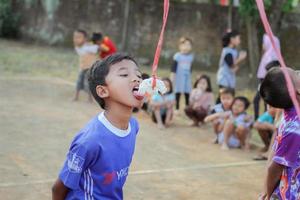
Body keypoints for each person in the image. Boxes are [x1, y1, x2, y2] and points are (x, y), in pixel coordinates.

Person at [52, 53, 144, 200]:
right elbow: (58, 189)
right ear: (103, 91)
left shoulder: (133, 126)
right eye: (124, 74)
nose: (136, 79)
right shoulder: (90, 141)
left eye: (139, 75)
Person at [259, 67, 300, 200]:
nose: (299, 71)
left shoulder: (290, 112)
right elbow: (275, 167)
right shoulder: (294, 129)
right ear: (297, 91)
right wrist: (268, 192)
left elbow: (274, 150)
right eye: (296, 73)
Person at [73, 29, 99, 102]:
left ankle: (90, 98)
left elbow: (96, 48)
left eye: (79, 37)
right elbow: (81, 52)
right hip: (82, 68)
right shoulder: (78, 47)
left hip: (90, 68)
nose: (76, 39)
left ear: (85, 39)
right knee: (79, 82)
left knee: (88, 83)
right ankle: (76, 97)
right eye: (75, 37)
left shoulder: (90, 46)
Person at [170, 37, 194, 112]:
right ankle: (177, 108)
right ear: (180, 46)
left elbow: (190, 69)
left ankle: (187, 107)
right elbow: (173, 68)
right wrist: (172, 77)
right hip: (179, 77)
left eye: (188, 45)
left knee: (187, 92)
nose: (186, 47)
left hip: (187, 77)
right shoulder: (177, 56)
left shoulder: (190, 57)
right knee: (178, 92)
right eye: (184, 45)